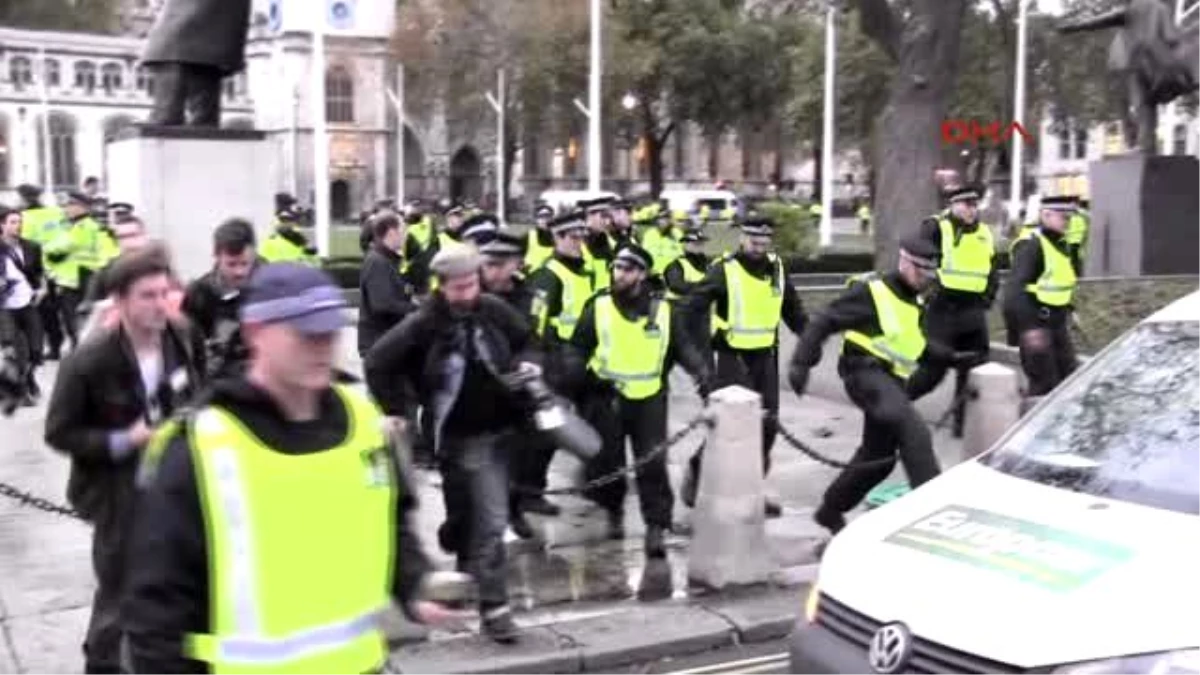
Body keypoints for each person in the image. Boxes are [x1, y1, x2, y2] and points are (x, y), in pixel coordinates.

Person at [123, 263, 465, 674]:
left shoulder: (362, 420)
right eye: (305, 333)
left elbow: (389, 524)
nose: (322, 345)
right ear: (254, 333)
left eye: (329, 331)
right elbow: (155, 612)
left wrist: (413, 584)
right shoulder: (199, 446)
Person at [365, 246, 538, 644]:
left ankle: (479, 594)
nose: (467, 294)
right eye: (458, 288)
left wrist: (531, 363)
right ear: (440, 287)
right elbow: (377, 362)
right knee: (483, 521)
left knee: (482, 521)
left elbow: (527, 339)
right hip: (457, 438)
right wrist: (398, 409)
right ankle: (494, 607)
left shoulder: (493, 309)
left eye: (472, 284)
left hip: (504, 428)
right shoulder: (422, 324)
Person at [44, 246, 202, 675]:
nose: (159, 305)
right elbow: (59, 432)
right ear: (120, 301)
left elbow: (199, 389)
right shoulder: (88, 362)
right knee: (118, 596)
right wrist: (123, 440)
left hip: (172, 486)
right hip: (117, 496)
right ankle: (102, 664)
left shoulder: (182, 337)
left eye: (164, 293)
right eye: (147, 296)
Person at [787, 236, 978, 534]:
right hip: (863, 372)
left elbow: (911, 344)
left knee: (878, 459)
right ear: (903, 261)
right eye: (920, 270)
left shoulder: (915, 302)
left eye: (930, 273)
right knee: (913, 432)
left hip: (891, 381)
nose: (925, 279)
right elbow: (825, 319)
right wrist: (802, 362)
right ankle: (936, 519)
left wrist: (953, 358)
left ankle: (830, 510)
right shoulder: (871, 292)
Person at [569, 244, 713, 552]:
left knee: (653, 464)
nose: (618, 274)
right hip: (608, 397)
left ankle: (656, 526)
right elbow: (577, 349)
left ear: (642, 274)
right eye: (616, 268)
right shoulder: (599, 306)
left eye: (627, 269)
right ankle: (613, 511)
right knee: (609, 463)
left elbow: (684, 348)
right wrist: (581, 381)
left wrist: (703, 377)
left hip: (649, 399)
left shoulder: (664, 311)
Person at [680, 217, 807, 517]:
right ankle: (697, 472)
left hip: (765, 356)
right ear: (742, 239)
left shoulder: (776, 268)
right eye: (753, 242)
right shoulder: (724, 270)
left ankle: (752, 492)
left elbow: (794, 310)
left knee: (768, 428)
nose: (758, 249)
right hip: (731, 355)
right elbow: (688, 311)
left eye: (764, 243)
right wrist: (697, 360)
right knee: (732, 427)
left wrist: (812, 339)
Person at [477, 231, 561, 536]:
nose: (495, 272)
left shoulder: (533, 298)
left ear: (516, 265)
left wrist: (535, 365)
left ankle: (514, 509)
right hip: (481, 392)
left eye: (502, 264)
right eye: (489, 264)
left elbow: (537, 340)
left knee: (524, 452)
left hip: (522, 390)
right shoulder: (469, 295)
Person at [907, 185, 999, 438]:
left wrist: (987, 299)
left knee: (974, 370)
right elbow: (915, 262)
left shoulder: (984, 233)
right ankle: (895, 406)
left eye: (974, 205)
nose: (971, 210)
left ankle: (963, 427)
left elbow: (991, 270)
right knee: (933, 370)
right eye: (965, 205)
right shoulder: (936, 227)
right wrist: (926, 294)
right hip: (942, 309)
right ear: (953, 204)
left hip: (972, 311)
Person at [1004, 195, 1079, 398]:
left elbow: (1055, 283)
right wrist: (1024, 330)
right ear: (1045, 215)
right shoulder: (1031, 245)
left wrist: (1069, 309)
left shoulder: (1059, 243)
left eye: (1070, 218)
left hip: (1057, 321)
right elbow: (1014, 292)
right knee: (1045, 384)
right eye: (1064, 218)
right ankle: (1029, 426)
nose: (1068, 222)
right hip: (1035, 322)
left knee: (1070, 378)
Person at [527, 211, 597, 395]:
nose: (580, 244)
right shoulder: (547, 276)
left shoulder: (582, 270)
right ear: (557, 237)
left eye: (583, 238)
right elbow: (536, 325)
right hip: (560, 362)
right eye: (574, 238)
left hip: (584, 359)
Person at [182, 218, 260, 381]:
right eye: (231, 264)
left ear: (254, 253)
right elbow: (185, 347)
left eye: (245, 263)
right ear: (216, 256)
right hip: (219, 385)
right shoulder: (200, 294)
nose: (239, 272)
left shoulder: (271, 286)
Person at [0, 206, 45, 404]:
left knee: (36, 350)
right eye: (13, 222)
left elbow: (39, 273)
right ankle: (23, 389)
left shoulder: (32, 247)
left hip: (29, 303)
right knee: (17, 349)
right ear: (2, 224)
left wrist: (42, 289)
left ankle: (28, 376)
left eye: (20, 222)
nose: (18, 226)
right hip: (5, 308)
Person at [357, 212, 417, 356]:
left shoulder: (389, 260)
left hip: (389, 342)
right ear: (391, 232)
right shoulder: (377, 262)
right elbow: (382, 304)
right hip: (379, 345)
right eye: (403, 230)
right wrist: (416, 310)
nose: (406, 235)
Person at [640, 210, 684, 276]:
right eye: (661, 218)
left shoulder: (677, 233)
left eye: (667, 217)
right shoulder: (650, 234)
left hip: (674, 273)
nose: (665, 221)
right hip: (656, 275)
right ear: (656, 220)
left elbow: (682, 255)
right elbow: (646, 257)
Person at [524, 203, 556, 271]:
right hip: (532, 278)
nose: (545, 220)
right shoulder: (529, 236)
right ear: (536, 220)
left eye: (547, 216)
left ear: (552, 218)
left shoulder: (559, 236)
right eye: (541, 216)